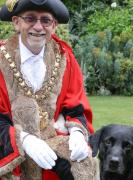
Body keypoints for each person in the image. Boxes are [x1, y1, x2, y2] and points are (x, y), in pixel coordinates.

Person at [0, 0, 94, 179]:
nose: (38, 27)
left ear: (54, 25)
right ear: (16, 22)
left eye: (45, 20)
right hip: (8, 154)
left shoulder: (65, 59)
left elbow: (75, 106)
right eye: (30, 18)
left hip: (52, 152)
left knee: (83, 167)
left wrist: (77, 134)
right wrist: (25, 141)